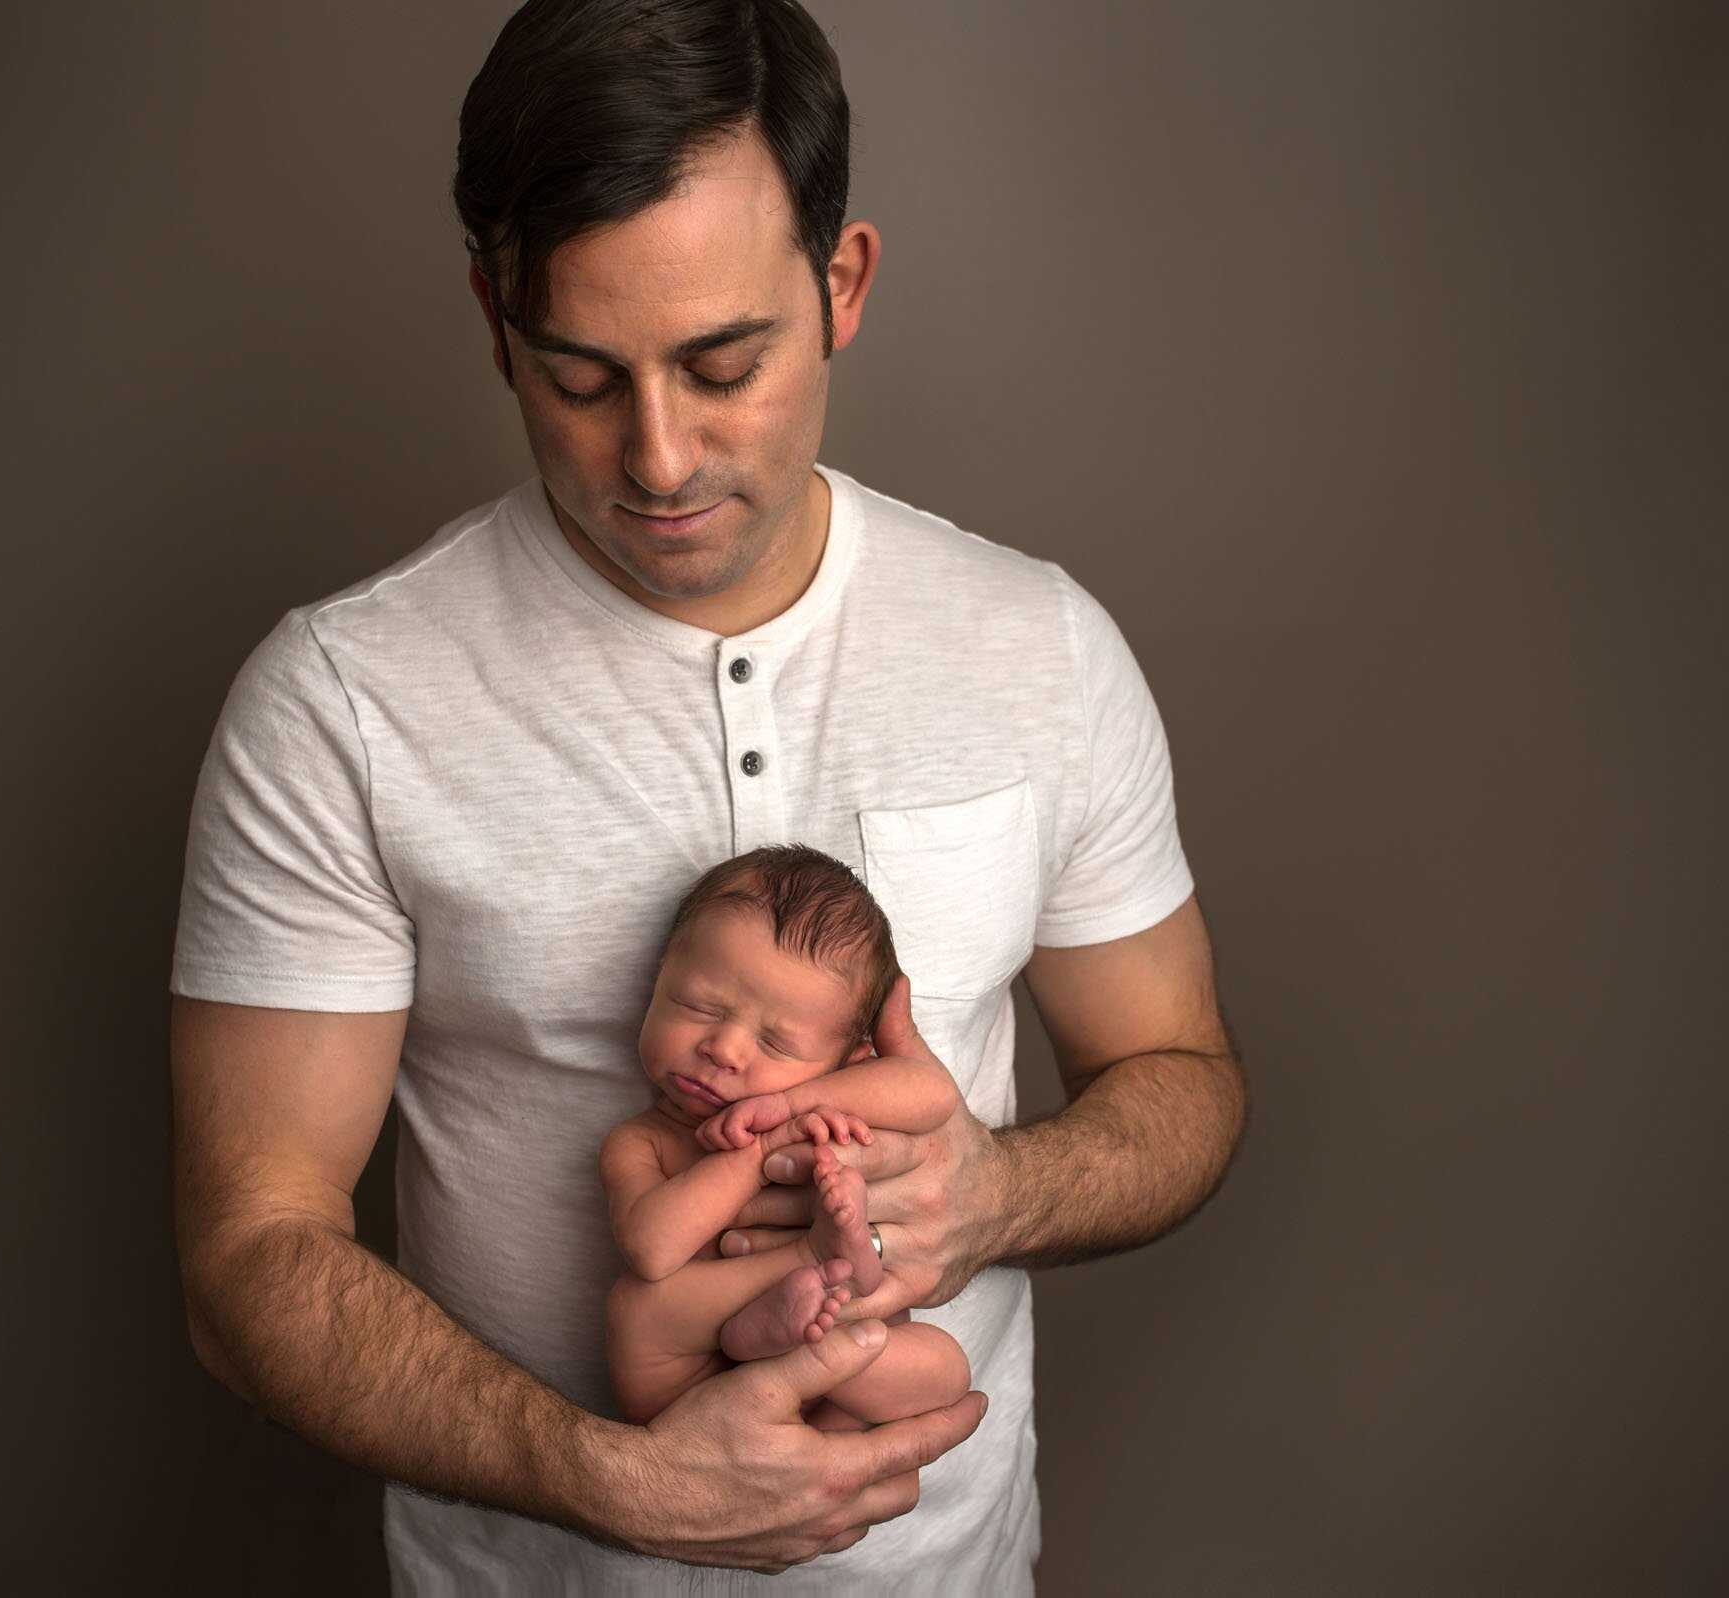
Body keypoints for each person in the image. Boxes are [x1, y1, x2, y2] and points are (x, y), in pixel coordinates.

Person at [168, 0, 1247, 1588]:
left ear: (844, 286)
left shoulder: (1041, 648)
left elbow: (1181, 1071)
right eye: (581, 376)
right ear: (493, 319)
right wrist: (612, 1478)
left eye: (722, 363)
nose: (659, 458)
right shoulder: (339, 701)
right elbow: (249, 1250)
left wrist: (999, 1192)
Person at [603, 845, 972, 1430]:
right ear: (656, 982)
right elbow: (652, 1248)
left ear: (850, 1060)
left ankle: (797, 1350)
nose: (723, 1049)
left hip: (836, 1358)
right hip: (699, 1399)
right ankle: (790, 1295)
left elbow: (934, 1096)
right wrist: (761, 1151)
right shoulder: (643, 1142)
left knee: (946, 1369)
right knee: (638, 1308)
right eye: (696, 1006)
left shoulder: (825, 1103)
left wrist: (792, 1107)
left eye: (776, 1045)